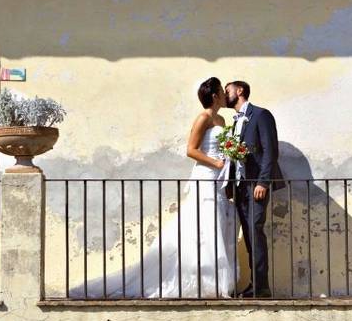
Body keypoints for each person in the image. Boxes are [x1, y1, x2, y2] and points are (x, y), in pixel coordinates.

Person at [68, 77, 237, 298]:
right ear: (214, 95)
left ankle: (213, 280)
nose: (225, 95)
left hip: (219, 177)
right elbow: (191, 150)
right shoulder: (203, 118)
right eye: (221, 92)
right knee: (204, 224)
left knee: (217, 223)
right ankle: (200, 280)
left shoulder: (222, 120)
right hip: (206, 175)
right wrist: (216, 163)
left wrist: (229, 161)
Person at [225, 80, 285, 298]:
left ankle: (262, 287)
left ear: (239, 91)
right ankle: (255, 283)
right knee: (249, 236)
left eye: (227, 90)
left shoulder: (261, 115)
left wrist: (263, 182)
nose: (225, 94)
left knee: (255, 231)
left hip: (256, 185)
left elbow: (270, 150)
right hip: (240, 187)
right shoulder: (234, 123)